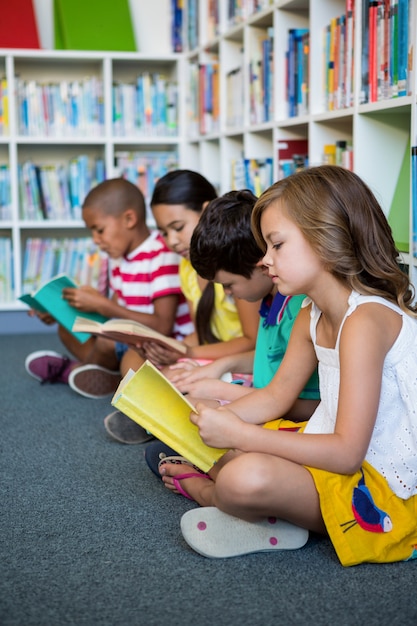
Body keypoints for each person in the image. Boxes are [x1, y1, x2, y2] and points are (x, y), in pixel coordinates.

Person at [158, 165, 417, 567]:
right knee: (216, 449)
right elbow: (276, 396)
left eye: (276, 245)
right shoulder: (310, 313)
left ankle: (212, 497)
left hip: (380, 483)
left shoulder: (365, 321)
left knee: (243, 477)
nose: (264, 260)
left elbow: (349, 454)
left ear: (326, 237)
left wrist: (240, 433)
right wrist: (201, 420)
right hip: (328, 451)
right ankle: (275, 516)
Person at [104, 175, 261, 443]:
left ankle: (154, 417)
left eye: (178, 227)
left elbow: (252, 341)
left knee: (189, 381)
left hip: (242, 359)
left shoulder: (240, 269)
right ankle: (156, 412)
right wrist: (169, 348)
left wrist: (189, 352)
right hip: (210, 351)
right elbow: (202, 331)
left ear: (206, 211)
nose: (172, 241)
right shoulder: (187, 269)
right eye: (164, 232)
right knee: (141, 362)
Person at [24, 178, 192, 402]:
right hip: (128, 338)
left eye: (99, 230)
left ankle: (73, 371)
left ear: (129, 219)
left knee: (107, 342)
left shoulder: (162, 255)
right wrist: (59, 311)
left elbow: (162, 325)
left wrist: (103, 305)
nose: (96, 240)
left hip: (156, 345)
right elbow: (114, 311)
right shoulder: (119, 258)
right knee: (67, 327)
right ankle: (100, 375)